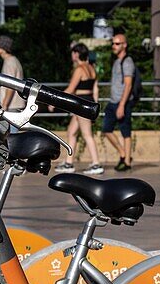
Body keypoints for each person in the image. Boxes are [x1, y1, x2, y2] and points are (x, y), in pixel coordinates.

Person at [54, 43, 103, 175]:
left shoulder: (79, 69)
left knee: (87, 134)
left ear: (76, 54)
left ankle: (96, 163)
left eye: (73, 53)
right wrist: (96, 104)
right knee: (71, 132)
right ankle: (69, 163)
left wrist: (55, 100)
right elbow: (95, 89)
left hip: (81, 103)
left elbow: (71, 89)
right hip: (87, 101)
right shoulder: (92, 68)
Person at [102, 27, 136, 172]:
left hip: (123, 102)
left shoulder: (127, 62)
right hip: (113, 101)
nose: (114, 46)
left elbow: (128, 84)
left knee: (125, 131)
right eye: (113, 43)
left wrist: (122, 105)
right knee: (106, 129)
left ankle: (127, 161)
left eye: (117, 44)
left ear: (124, 45)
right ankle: (123, 153)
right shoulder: (117, 62)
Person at [0, 36, 25, 111]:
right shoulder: (13, 60)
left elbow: (10, 85)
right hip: (15, 104)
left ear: (4, 48)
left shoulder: (9, 62)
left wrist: (4, 105)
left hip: (12, 106)